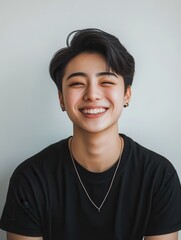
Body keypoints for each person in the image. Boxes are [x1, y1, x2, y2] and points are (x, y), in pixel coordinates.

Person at [0, 28, 181, 240]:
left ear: (126, 94)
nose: (92, 95)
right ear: (61, 98)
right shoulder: (31, 178)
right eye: (77, 83)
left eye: (106, 82)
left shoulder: (159, 175)